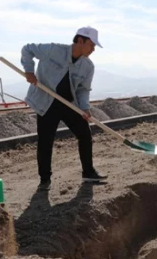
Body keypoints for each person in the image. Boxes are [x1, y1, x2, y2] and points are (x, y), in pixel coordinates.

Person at [21, 26, 108, 191]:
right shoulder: (53, 50)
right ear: (80, 40)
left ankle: (88, 172)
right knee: (46, 141)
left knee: (85, 134)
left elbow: (83, 90)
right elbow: (27, 49)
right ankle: (45, 180)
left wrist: (85, 108)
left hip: (69, 104)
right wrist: (29, 71)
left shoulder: (88, 66)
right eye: (92, 44)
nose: (93, 49)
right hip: (46, 102)